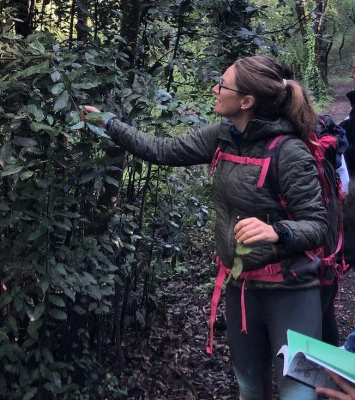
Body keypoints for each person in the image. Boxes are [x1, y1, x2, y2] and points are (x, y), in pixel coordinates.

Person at [83, 55, 329, 400]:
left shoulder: (289, 154)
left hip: (290, 290)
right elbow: (162, 150)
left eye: (222, 85)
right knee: (249, 388)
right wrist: (109, 124)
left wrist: (279, 231)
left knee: (298, 395)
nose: (215, 89)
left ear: (246, 102)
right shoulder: (223, 136)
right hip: (240, 286)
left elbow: (319, 226)